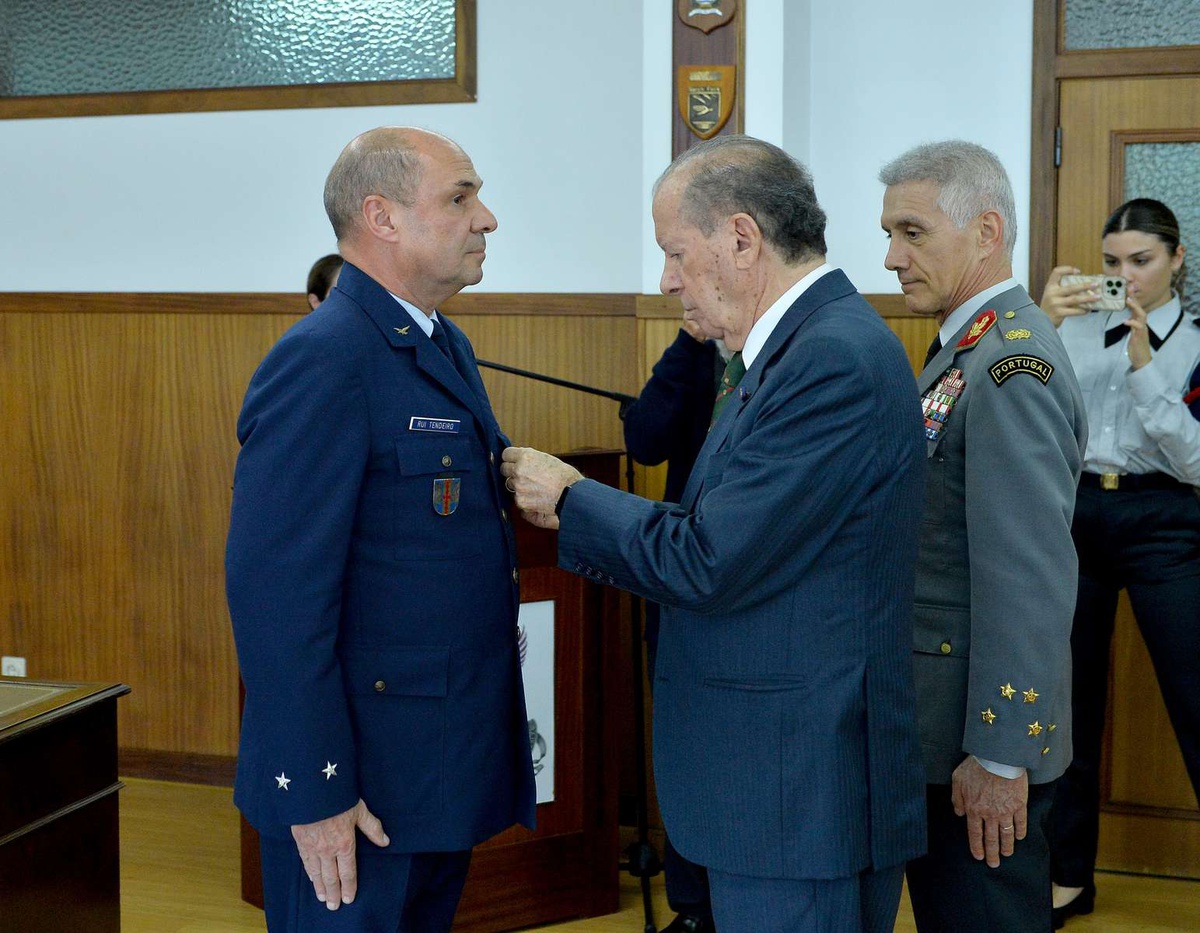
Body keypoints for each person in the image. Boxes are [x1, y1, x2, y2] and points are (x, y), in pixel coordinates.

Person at [503, 134, 927, 933]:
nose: (666, 280)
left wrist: (572, 498)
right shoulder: (793, 349)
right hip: (775, 789)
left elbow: (709, 556)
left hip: (795, 798)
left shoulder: (829, 359)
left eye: (675, 253)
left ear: (740, 238)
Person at [225, 126, 535, 932]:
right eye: (461, 197)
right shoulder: (325, 356)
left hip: (428, 773)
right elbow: (275, 597)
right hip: (353, 790)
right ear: (382, 217)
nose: (487, 218)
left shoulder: (436, 340)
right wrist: (314, 785)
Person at [878, 140, 1087, 933]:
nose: (892, 256)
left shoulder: (1009, 365)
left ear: (986, 231)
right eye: (890, 232)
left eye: (913, 231)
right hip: (945, 723)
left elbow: (1028, 575)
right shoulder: (966, 347)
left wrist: (1001, 755)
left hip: (983, 739)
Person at [1039, 198, 1200, 928]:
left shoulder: (1194, 341)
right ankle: (1070, 876)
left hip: (1168, 518)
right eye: (1112, 263)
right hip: (1078, 516)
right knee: (1068, 706)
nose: (1125, 276)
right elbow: (1023, 410)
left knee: (1195, 699)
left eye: (1141, 261)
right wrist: (1041, 322)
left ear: (1176, 260)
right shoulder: (1071, 328)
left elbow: (1196, 461)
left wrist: (1144, 365)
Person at [621, 319, 724, 933]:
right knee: (683, 748)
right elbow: (644, 439)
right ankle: (691, 906)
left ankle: (729, 903)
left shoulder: (788, 353)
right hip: (680, 583)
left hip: (748, 583)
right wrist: (689, 343)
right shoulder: (697, 355)